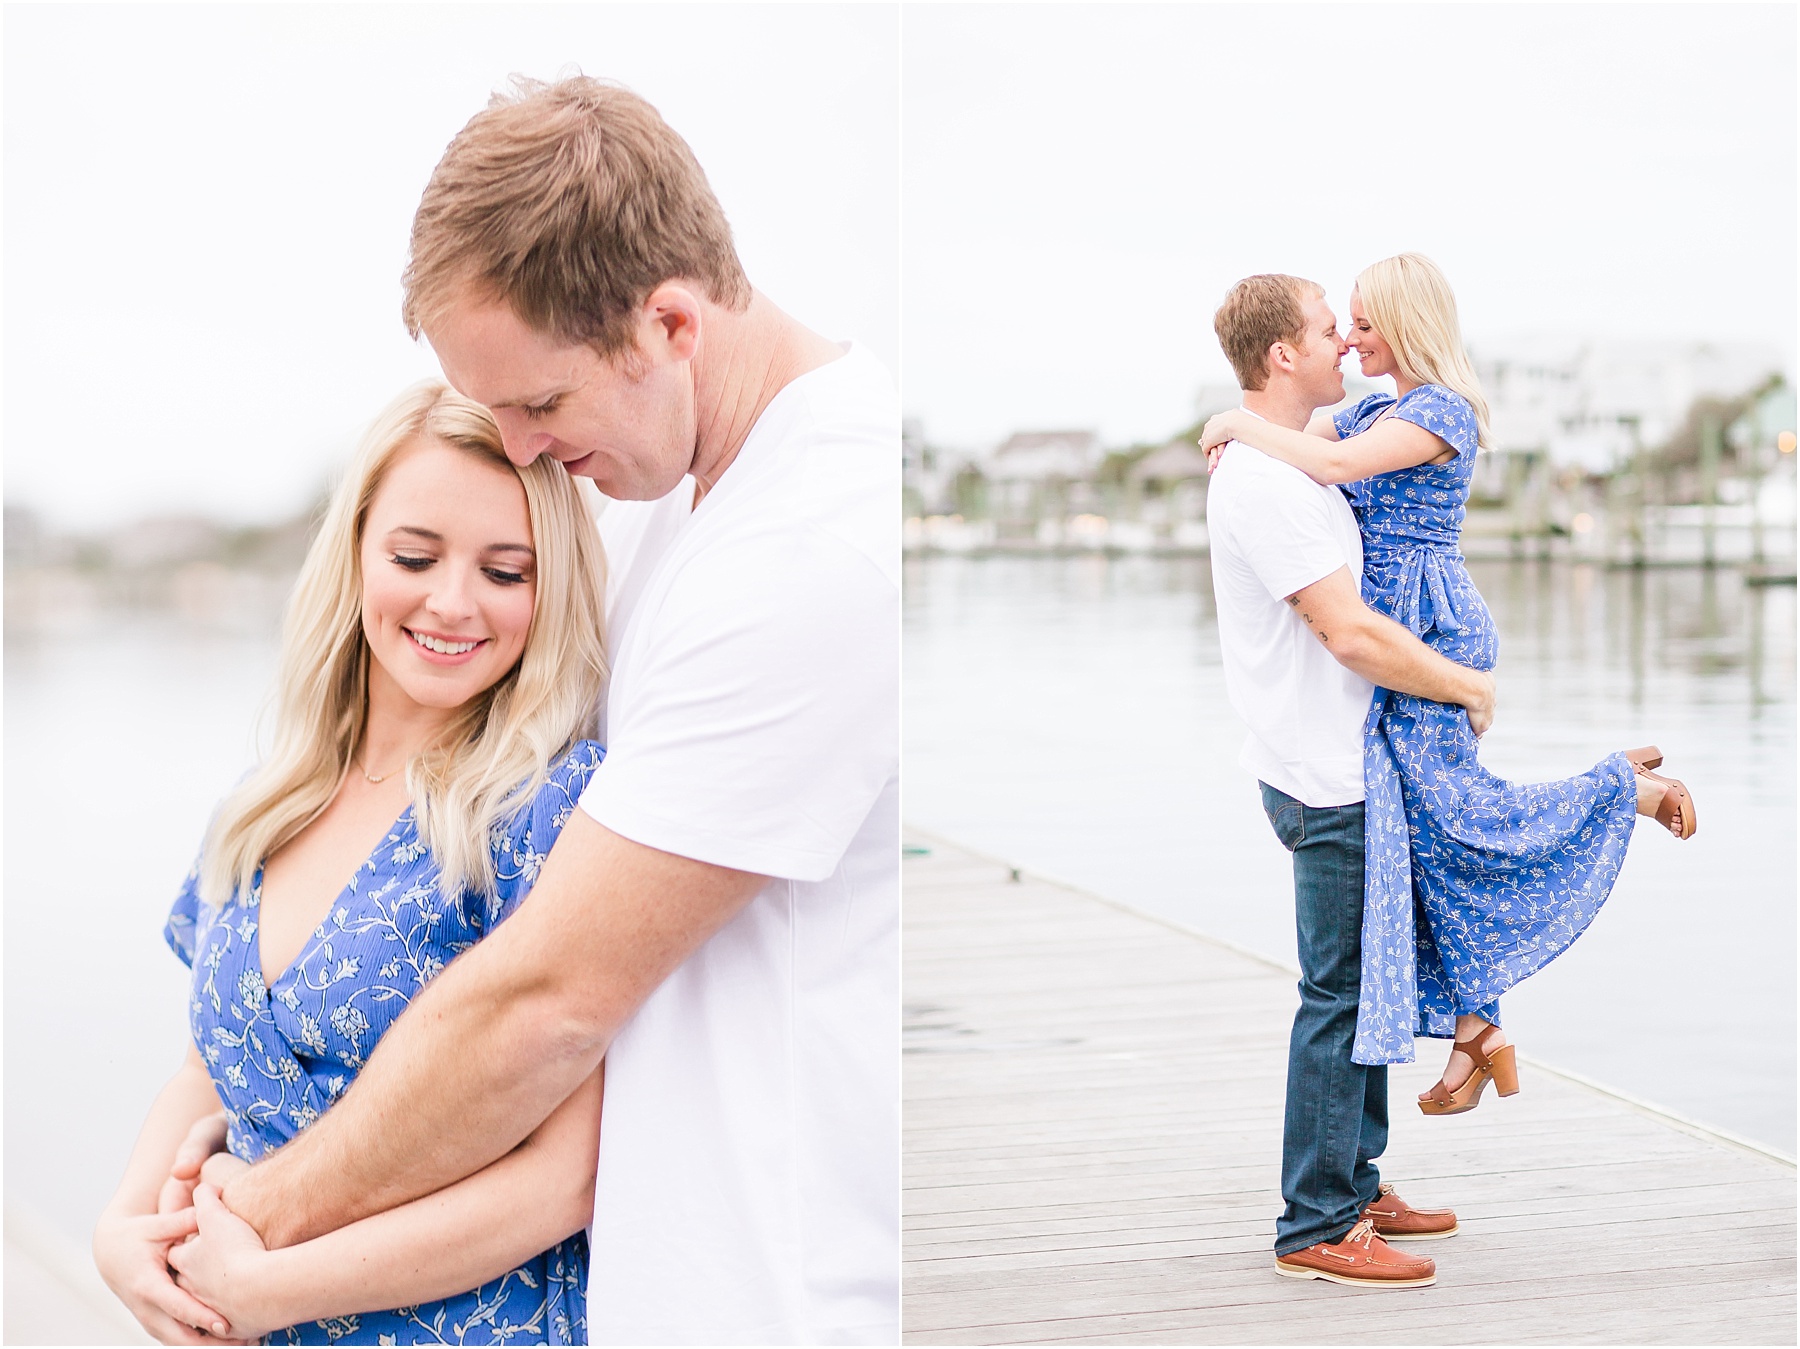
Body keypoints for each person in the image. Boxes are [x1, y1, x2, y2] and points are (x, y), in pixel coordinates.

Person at [169, 75, 900, 1344]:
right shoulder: (678, 500)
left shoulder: (811, 549)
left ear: (670, 322)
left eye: (540, 403)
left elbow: (546, 995)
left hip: (775, 1290)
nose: (515, 447)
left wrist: (260, 1222)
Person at [95, 382, 611, 1344]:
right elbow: (214, 1067)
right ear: (357, 551)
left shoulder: (552, 809)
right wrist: (122, 1227)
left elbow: (564, 1173)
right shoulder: (261, 803)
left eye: (508, 572)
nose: (453, 602)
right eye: (416, 556)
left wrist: (277, 1292)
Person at [1201, 255, 1696, 1124]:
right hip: (1386, 626)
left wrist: (1233, 424)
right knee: (1420, 837)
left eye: (1362, 324)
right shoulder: (1366, 406)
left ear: (1404, 322)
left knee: (1459, 818)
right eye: (1338, 325)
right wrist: (1248, 433)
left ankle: (1624, 787)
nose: (1349, 341)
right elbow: (1322, 448)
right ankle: (1475, 1025)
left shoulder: (1439, 411)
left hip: (1426, 624)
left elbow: (1338, 467)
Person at [1206, 272, 1500, 1289]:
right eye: (1331, 329)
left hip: (1349, 762)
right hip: (1324, 775)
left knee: (1368, 976)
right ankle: (1314, 1221)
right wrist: (1461, 680)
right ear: (1283, 354)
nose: (1344, 344)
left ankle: (1359, 1180)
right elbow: (1348, 629)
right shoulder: (1265, 479)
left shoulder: (1296, 461)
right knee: (1337, 995)